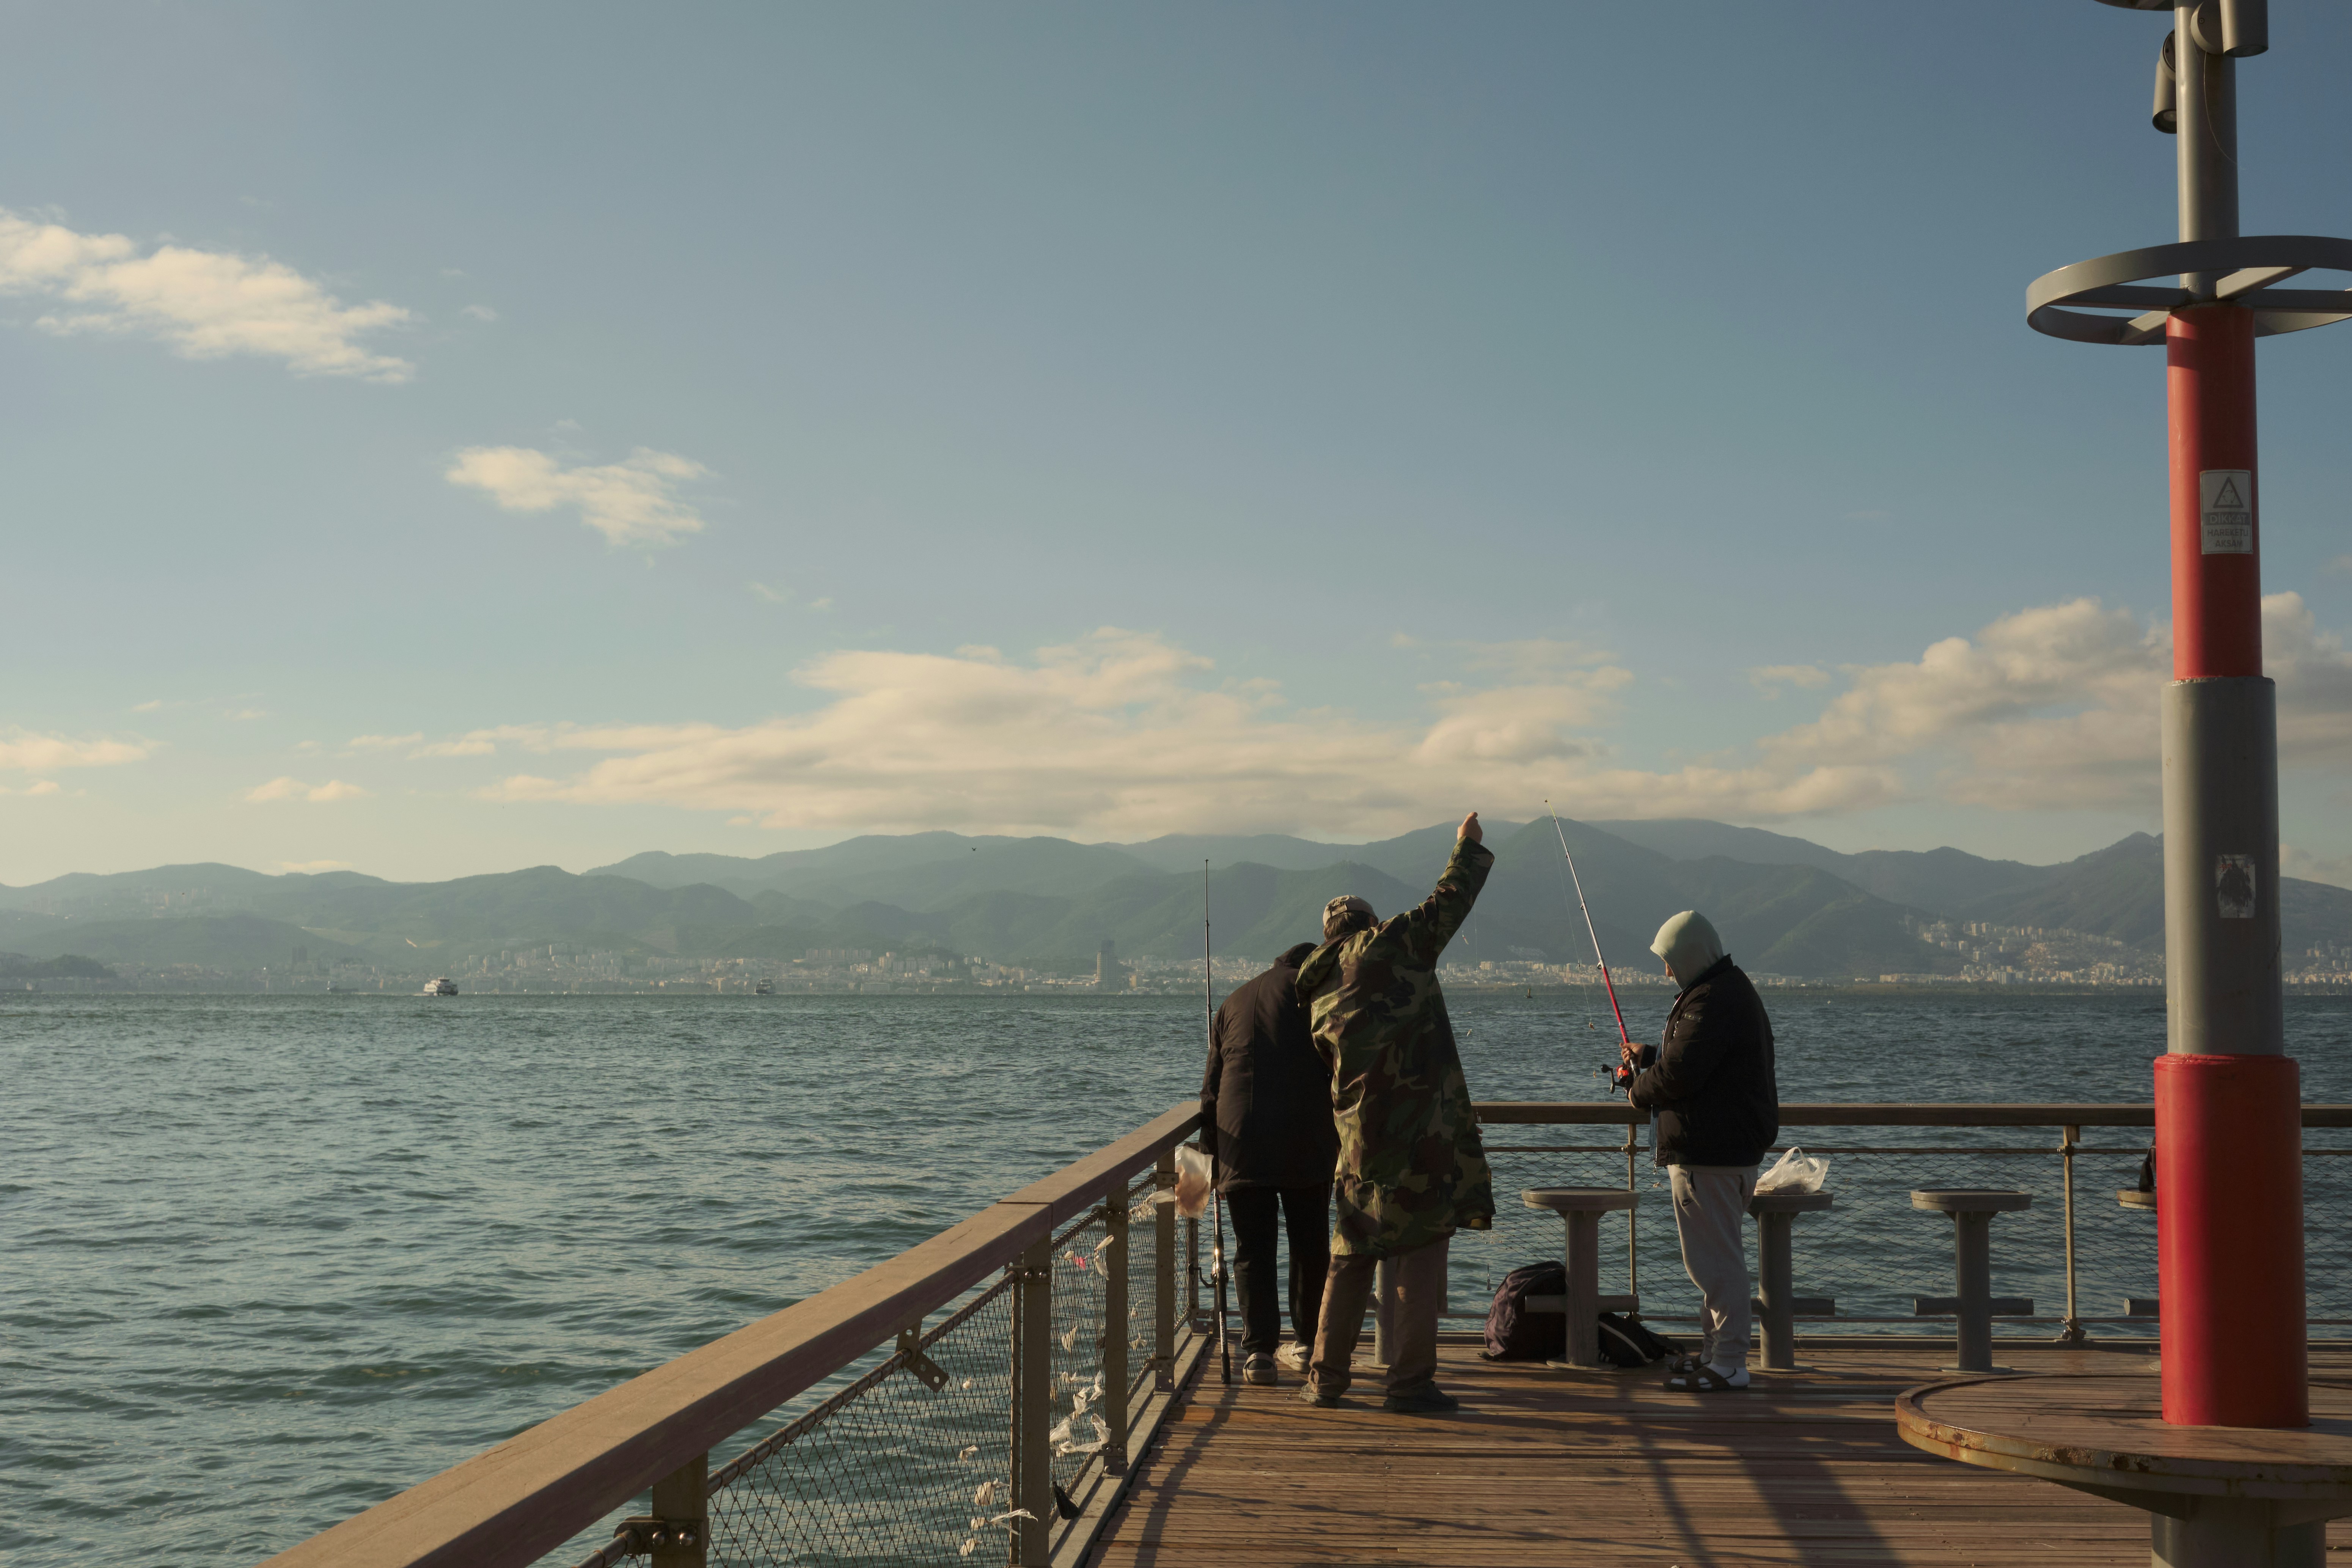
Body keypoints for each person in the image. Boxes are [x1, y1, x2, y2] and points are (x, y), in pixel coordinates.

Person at [1295, 811, 1495, 1414]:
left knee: (1349, 1257)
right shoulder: (1389, 945)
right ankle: (1408, 1384)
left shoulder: (1319, 991)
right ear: (1369, 925)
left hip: (1357, 1142)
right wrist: (1466, 847)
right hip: (1419, 1139)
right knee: (1419, 1250)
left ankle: (1325, 1378)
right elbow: (1447, 902)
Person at [1623, 909, 1779, 1392]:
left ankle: (1730, 1363)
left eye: (1669, 960)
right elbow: (1701, 1061)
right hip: (1723, 1151)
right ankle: (1713, 1354)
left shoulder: (1710, 1000)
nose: (1666, 971)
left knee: (1716, 1265)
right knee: (1712, 1261)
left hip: (1709, 1157)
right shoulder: (1725, 992)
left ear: (1689, 956)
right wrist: (1650, 1058)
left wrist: (1637, 1089)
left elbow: (1681, 1075)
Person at [1200, 940, 1338, 1385]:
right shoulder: (1317, 995)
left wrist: (1211, 1162)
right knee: (1309, 1246)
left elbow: (1211, 1089)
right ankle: (1304, 1344)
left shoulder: (1233, 1000)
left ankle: (1259, 1352)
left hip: (1239, 1140)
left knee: (1251, 1249)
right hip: (1305, 1140)